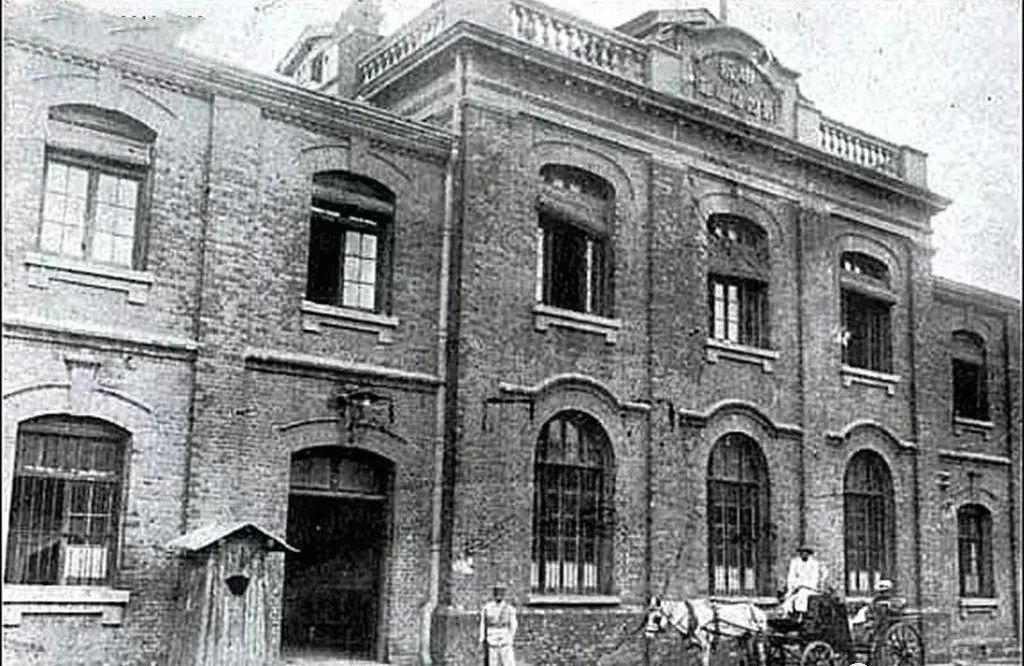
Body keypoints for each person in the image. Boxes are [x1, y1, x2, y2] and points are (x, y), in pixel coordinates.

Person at [781, 543, 824, 619]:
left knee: (802, 595)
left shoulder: (814, 564)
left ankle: (801, 614)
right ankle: (787, 613)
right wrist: (793, 587)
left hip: (809, 588)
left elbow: (814, 578)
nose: (804, 554)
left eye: (806, 552)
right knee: (788, 597)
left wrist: (803, 585)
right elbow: (791, 577)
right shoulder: (795, 562)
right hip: (796, 587)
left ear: (809, 553)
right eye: (802, 552)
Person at [480, 583, 517, 666]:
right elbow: (483, 624)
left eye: (501, 593)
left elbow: (513, 625)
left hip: (505, 640)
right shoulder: (487, 608)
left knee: (508, 662)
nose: (498, 596)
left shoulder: (509, 609)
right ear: (494, 594)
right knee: (493, 662)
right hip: (492, 640)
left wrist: (510, 637)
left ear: (504, 595)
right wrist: (482, 638)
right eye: (497, 593)